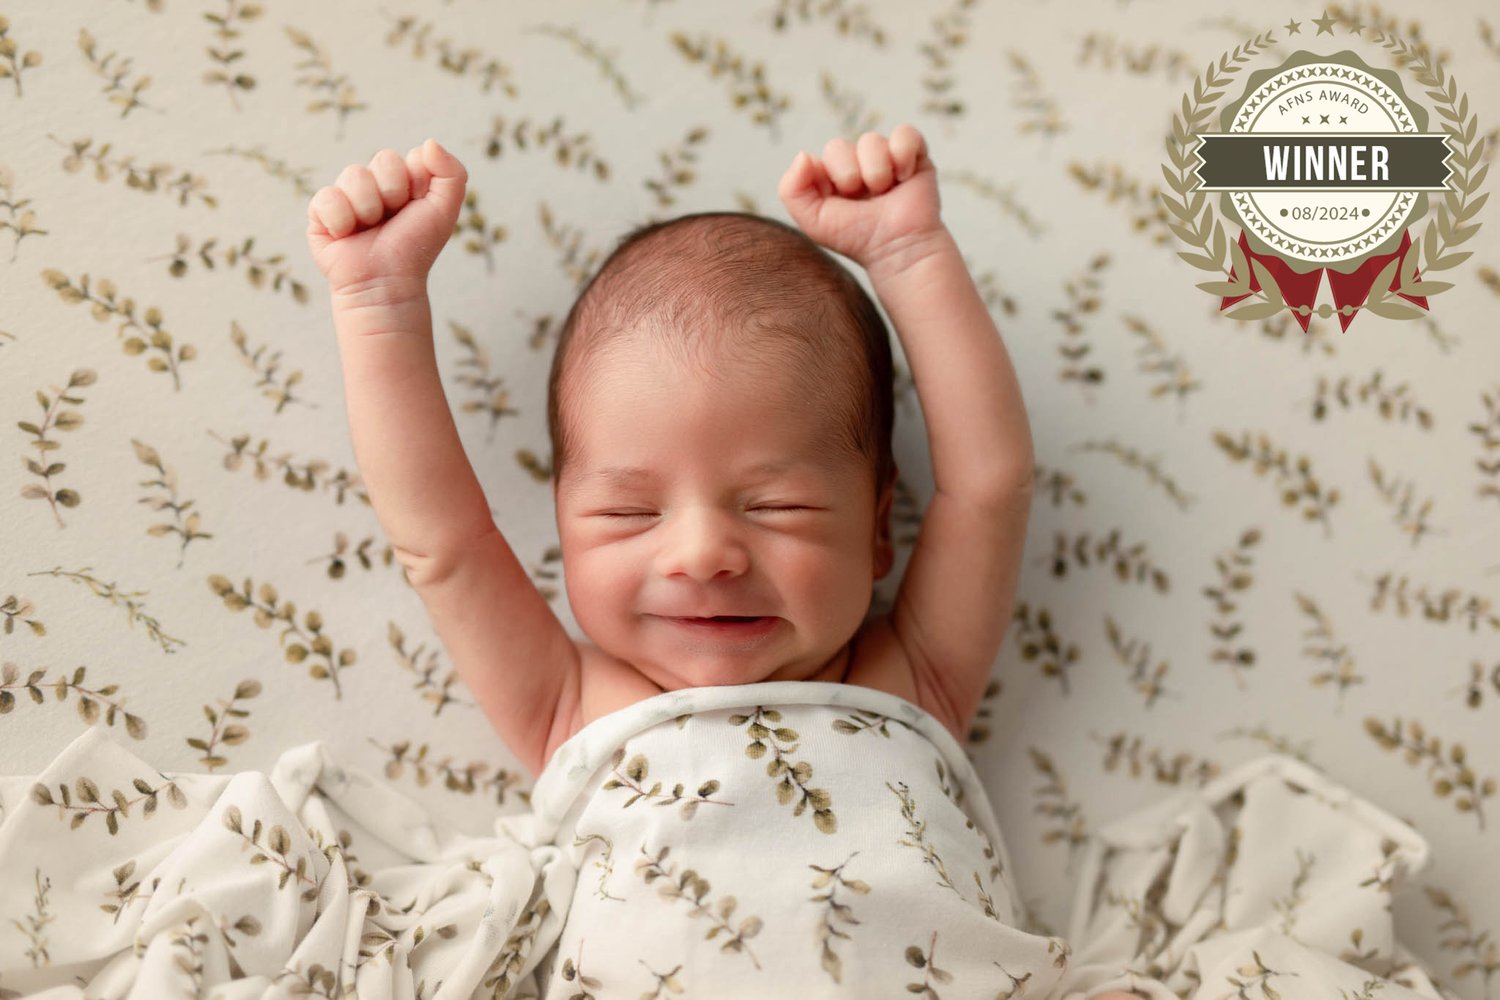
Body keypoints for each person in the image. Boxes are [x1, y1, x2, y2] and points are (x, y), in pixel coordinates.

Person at [307, 128, 1142, 999]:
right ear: (560, 532)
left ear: (878, 533)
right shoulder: (574, 709)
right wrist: (377, 304)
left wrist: (909, 253)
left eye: (777, 506)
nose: (704, 555)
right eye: (630, 512)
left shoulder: (911, 680)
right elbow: (443, 541)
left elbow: (988, 486)